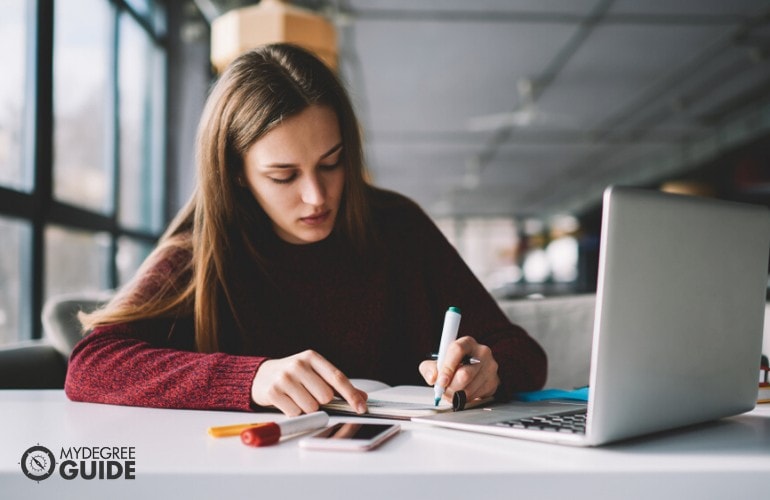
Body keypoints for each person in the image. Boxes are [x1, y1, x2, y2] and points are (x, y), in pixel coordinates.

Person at [65, 43, 547, 416]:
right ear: (236, 173)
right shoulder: (201, 251)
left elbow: (523, 353)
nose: (317, 196)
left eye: (332, 164)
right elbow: (90, 365)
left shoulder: (397, 226)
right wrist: (251, 379)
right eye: (284, 176)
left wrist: (485, 370)